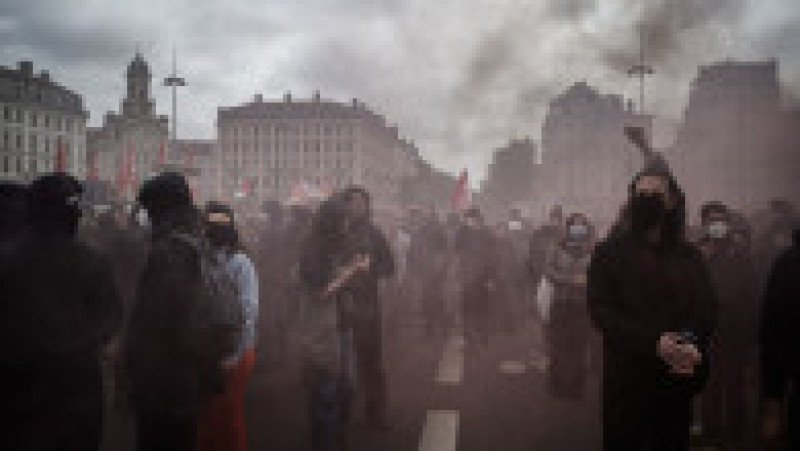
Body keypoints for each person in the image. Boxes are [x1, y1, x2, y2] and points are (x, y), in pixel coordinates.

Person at [587, 165, 717, 450]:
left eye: (656, 194)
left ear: (672, 201)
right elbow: (601, 311)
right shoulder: (609, 252)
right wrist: (654, 342)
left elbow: (705, 310)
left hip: (675, 379)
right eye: (640, 193)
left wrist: (688, 343)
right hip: (627, 381)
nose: (647, 200)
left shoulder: (690, 256)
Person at [0, 174, 122, 451]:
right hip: (76, 392)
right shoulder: (93, 261)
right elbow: (112, 319)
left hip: (16, 393)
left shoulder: (7, 259)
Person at [124, 172, 241, 451]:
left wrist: (133, 368)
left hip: (166, 379)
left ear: (159, 208)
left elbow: (155, 321)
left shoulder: (168, 250)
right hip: (194, 372)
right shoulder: (199, 241)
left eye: (149, 209)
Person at [299, 196, 361, 451]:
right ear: (334, 220)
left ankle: (334, 436)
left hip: (342, 324)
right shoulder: (313, 247)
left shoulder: (343, 243)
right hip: (322, 329)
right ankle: (325, 442)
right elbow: (320, 292)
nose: (348, 222)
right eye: (345, 218)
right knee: (326, 392)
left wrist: (356, 269)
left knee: (347, 386)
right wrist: (351, 272)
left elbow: (348, 285)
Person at [696, 201, 759, 448]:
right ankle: (711, 432)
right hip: (707, 333)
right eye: (711, 221)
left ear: (728, 224)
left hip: (735, 334)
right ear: (705, 225)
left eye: (720, 221)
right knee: (709, 385)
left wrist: (750, 335)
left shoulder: (741, 256)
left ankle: (735, 434)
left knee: (734, 385)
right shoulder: (698, 255)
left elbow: (752, 295)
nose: (717, 226)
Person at [197, 202, 258, 451]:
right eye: (211, 224)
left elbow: (249, 309)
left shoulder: (240, 262)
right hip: (207, 350)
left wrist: (235, 353)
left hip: (236, 351)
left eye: (221, 225)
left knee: (229, 412)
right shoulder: (199, 258)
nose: (215, 230)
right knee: (207, 414)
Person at [340, 186, 395, 429]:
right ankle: (340, 416)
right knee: (338, 364)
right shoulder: (333, 232)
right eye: (352, 202)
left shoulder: (374, 234)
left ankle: (375, 414)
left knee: (371, 363)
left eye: (361, 203)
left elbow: (390, 266)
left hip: (367, 306)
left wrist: (369, 268)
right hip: (337, 307)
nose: (357, 207)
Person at [544, 212, 594, 399]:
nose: (578, 229)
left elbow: (599, 272)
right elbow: (548, 271)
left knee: (579, 347)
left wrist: (588, 280)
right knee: (558, 344)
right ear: (568, 228)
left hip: (582, 305)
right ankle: (556, 384)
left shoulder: (592, 250)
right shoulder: (557, 248)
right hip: (561, 303)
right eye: (575, 225)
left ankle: (576, 387)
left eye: (582, 225)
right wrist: (569, 279)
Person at [760, 227, 800, 450]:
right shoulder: (786, 263)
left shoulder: (784, 261)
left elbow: (770, 313)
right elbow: (772, 314)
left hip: (781, 350)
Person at [456, 207, 499, 350]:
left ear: (479, 219)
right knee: (466, 308)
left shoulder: (487, 233)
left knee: (483, 308)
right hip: (467, 277)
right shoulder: (462, 232)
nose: (471, 221)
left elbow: (493, 257)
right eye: (469, 218)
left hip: (483, 277)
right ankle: (469, 338)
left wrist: (492, 278)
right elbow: (457, 252)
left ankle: (483, 336)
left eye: (473, 218)